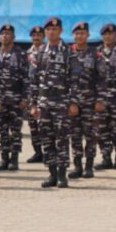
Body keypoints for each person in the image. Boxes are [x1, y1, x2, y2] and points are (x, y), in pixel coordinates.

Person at [30, 17, 75, 188]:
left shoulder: (68, 52)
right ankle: (52, 174)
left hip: (62, 102)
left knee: (61, 139)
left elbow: (74, 80)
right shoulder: (39, 52)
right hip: (44, 102)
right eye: (48, 30)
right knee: (47, 138)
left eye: (55, 29)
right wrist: (33, 104)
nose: (51, 32)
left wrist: (73, 102)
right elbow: (33, 80)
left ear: (60, 31)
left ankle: (62, 175)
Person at [0, 23, 28, 171]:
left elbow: (26, 78)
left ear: (13, 37)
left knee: (15, 131)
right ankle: (4, 158)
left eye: (8, 34)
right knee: (2, 131)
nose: (5, 36)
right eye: (3, 34)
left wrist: (25, 98)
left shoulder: (20, 54)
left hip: (15, 99)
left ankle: (14, 159)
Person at [95, 22, 116, 170]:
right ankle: (106, 158)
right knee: (101, 129)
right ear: (102, 36)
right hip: (101, 97)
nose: (108, 36)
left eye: (111, 34)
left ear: (115, 35)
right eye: (105, 34)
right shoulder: (96, 53)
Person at [67, 21, 98, 180]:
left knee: (90, 134)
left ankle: (89, 166)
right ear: (73, 35)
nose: (79, 36)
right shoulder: (67, 53)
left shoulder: (95, 54)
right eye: (77, 33)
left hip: (90, 101)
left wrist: (100, 100)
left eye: (82, 33)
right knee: (75, 134)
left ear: (88, 35)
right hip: (72, 101)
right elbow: (63, 79)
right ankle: (77, 166)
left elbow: (101, 79)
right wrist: (69, 102)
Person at [26, 25, 46, 163]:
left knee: (45, 125)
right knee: (33, 125)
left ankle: (48, 152)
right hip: (30, 94)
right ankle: (38, 152)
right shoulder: (27, 53)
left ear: (43, 37)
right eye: (34, 35)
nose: (36, 37)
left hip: (44, 93)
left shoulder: (47, 51)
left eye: (39, 35)